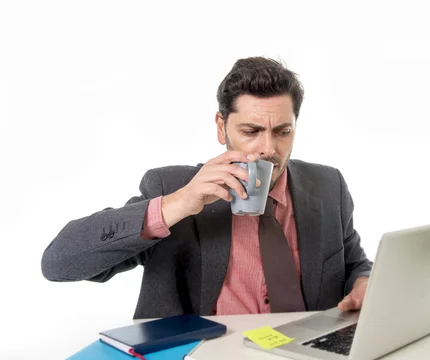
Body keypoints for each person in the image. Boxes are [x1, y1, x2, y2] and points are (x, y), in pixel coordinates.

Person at [41, 57, 372, 319]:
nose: (268, 148)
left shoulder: (329, 187)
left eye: (283, 132)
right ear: (221, 127)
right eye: (251, 130)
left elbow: (354, 263)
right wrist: (180, 203)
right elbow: (58, 263)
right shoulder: (171, 187)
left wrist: (364, 282)